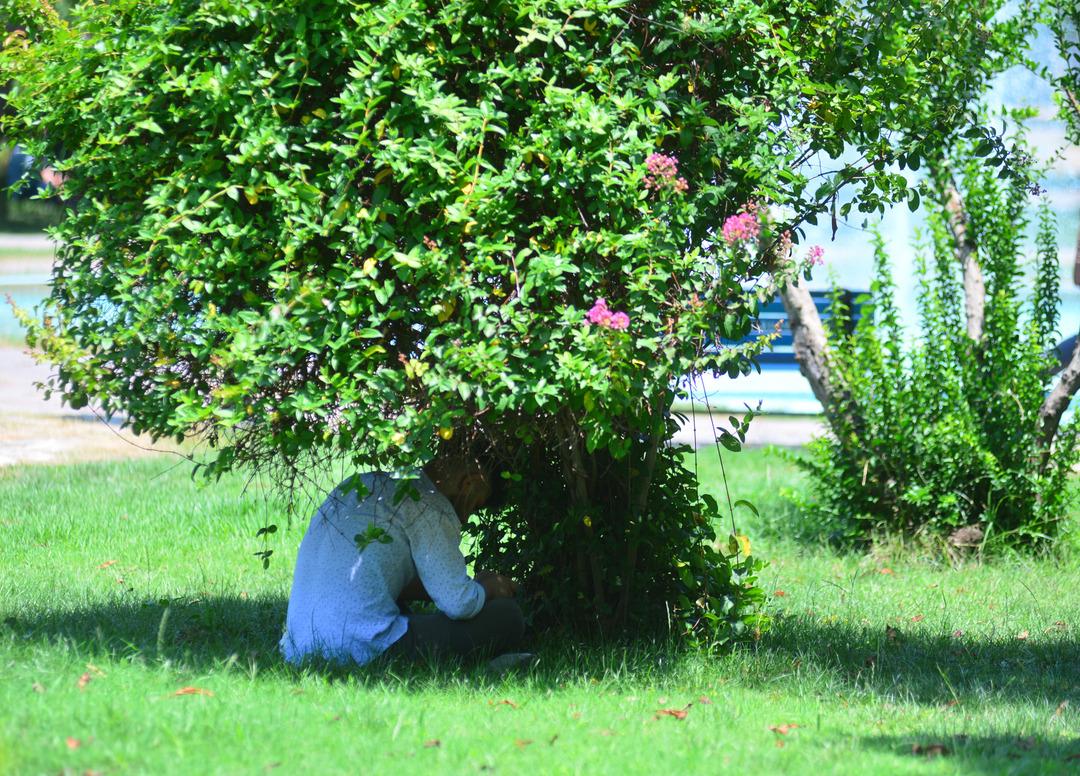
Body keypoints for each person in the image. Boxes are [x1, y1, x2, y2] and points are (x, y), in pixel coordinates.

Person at [280, 443, 525, 667]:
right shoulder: (429, 505)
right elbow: (459, 605)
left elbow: (381, 578)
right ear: (468, 484)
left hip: (298, 646)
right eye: (475, 505)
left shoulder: (360, 485)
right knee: (507, 616)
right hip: (360, 650)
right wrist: (486, 587)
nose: (465, 518)